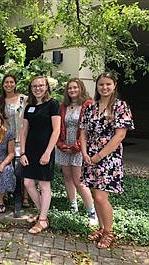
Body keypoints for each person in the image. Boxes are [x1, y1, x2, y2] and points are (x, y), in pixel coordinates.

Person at [79, 72, 134, 249]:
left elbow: (120, 135)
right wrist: (85, 153)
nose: (104, 87)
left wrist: (99, 156)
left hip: (108, 157)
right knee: (95, 194)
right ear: (97, 86)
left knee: (102, 197)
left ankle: (109, 233)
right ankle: (102, 229)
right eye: (101, 84)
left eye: (108, 84)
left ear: (114, 85)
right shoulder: (91, 107)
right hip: (90, 156)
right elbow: (83, 133)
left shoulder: (120, 106)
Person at [20, 76, 61, 234]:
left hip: (45, 150)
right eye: (34, 86)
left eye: (41, 85)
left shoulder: (53, 104)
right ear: (31, 88)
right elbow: (24, 131)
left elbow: (56, 130)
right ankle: (41, 212)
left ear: (46, 87)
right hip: (30, 150)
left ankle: (42, 220)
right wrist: (23, 152)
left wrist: (48, 152)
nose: (38, 88)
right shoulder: (29, 107)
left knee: (44, 185)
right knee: (28, 183)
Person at [56, 78, 98, 225]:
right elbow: (57, 126)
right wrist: (62, 145)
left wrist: (76, 146)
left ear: (81, 89)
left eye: (75, 88)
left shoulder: (88, 105)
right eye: (70, 88)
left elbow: (88, 130)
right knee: (67, 177)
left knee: (78, 180)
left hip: (80, 145)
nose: (72, 90)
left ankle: (91, 211)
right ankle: (73, 205)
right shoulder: (63, 106)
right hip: (63, 144)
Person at [0, 74, 30, 209]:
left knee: (22, 168)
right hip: (5, 139)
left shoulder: (24, 99)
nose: (9, 85)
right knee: (6, 165)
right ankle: (7, 191)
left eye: (11, 82)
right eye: (6, 82)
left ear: (15, 84)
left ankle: (24, 196)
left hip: (21, 137)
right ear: (3, 85)